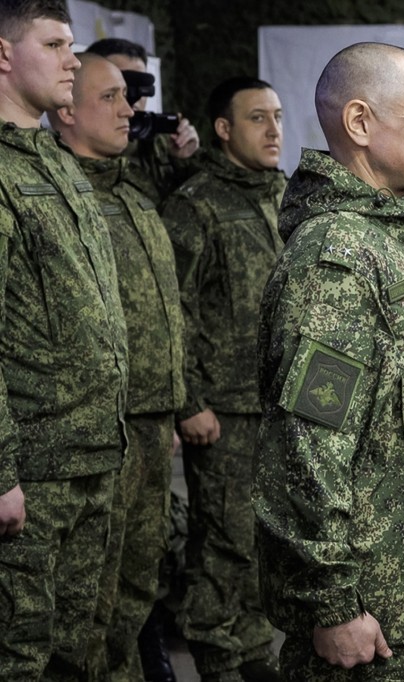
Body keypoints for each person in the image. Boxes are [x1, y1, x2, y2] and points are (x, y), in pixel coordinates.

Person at [253, 42, 404, 681]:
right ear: (359, 124)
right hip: (366, 616)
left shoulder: (394, 234)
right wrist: (331, 604)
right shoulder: (339, 260)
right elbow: (307, 443)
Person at [46, 52, 186, 682]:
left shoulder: (133, 190)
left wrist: (178, 404)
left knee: (138, 582)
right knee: (89, 599)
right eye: (111, 98)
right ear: (66, 110)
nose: (129, 110)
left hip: (154, 420)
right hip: (99, 431)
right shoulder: (56, 198)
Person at [0, 1, 129, 678]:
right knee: (19, 654)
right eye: (53, 44)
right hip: (34, 471)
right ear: (2, 55)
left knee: (76, 651)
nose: (71, 60)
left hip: (91, 455)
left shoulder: (54, 161)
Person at [161, 76, 286, 682]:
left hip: (284, 404)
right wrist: (188, 402)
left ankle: (256, 652)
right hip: (226, 410)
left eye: (279, 117)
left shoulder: (287, 198)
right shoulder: (196, 203)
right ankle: (217, 657)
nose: (274, 130)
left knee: (269, 541)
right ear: (223, 129)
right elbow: (171, 311)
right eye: (257, 118)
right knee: (224, 544)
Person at [86, 36, 200, 204]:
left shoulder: (163, 144)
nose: (134, 96)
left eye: (140, 86)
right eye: (120, 83)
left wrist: (185, 161)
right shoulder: (81, 143)